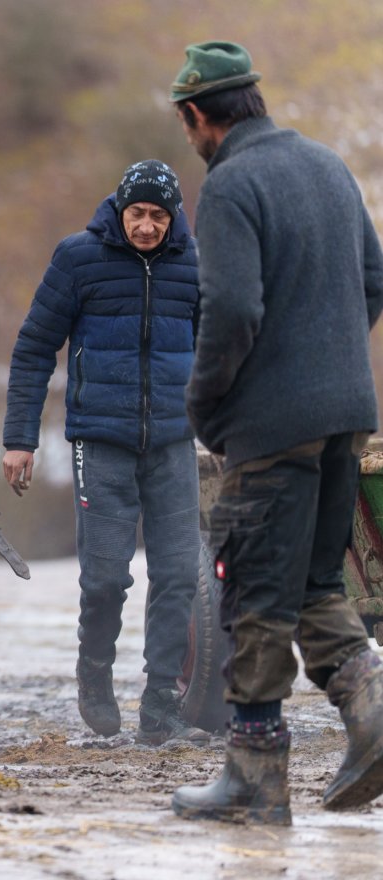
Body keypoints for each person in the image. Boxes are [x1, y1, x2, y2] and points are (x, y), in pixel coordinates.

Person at [166, 41, 383, 825]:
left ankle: (256, 778)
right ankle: (370, 704)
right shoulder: (327, 165)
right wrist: (330, 367)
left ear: (198, 115)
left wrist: (207, 405)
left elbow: (230, 311)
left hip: (271, 426)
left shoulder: (230, 184)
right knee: (314, 585)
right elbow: (374, 279)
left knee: (253, 591)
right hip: (346, 417)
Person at [1, 159, 208, 746]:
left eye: (159, 216)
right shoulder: (78, 258)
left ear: (174, 218)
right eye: (138, 213)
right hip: (101, 442)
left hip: (172, 442)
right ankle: (94, 674)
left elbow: (218, 348)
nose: (147, 226)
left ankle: (160, 702)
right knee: (104, 580)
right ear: (120, 209)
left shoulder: (193, 265)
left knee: (176, 575)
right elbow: (35, 347)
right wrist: (20, 438)